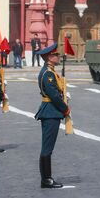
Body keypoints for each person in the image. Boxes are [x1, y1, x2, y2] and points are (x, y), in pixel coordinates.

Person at [35, 42, 69, 189]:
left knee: (47, 146)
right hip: (50, 111)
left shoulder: (50, 71)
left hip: (51, 110)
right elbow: (54, 95)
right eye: (55, 54)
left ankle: (46, 178)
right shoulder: (48, 74)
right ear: (49, 57)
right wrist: (65, 108)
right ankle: (46, 179)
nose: (58, 56)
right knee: (47, 147)